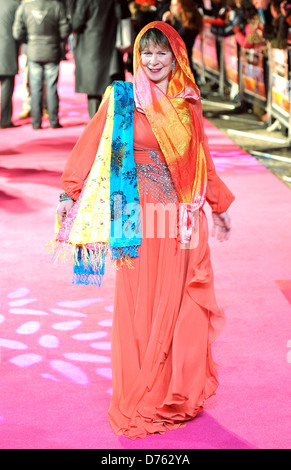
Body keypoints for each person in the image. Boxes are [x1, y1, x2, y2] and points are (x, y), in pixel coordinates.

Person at [53, 21, 234, 439]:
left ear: (176, 58)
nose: (153, 61)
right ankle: (145, 389)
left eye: (162, 54)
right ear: (137, 56)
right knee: (140, 304)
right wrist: (69, 193)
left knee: (182, 304)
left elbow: (201, 157)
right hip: (134, 218)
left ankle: (177, 390)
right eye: (146, 53)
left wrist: (218, 205)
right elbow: (90, 144)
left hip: (179, 219)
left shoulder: (188, 101)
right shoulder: (122, 98)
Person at [12, 0, 70, 129]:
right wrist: (55, 40)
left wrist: (29, 41)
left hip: (33, 51)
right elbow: (65, 30)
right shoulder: (56, 6)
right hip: (52, 50)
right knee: (52, 87)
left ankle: (36, 122)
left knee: (35, 88)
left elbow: (17, 32)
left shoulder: (25, 7)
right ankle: (54, 121)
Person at [70, 0, 126, 119]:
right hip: (111, 46)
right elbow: (123, 14)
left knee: (93, 90)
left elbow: (76, 23)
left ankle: (95, 123)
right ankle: (111, 121)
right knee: (112, 88)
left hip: (90, 48)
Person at [162, 0, 203, 82]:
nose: (171, 7)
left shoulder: (190, 21)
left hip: (183, 65)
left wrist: (166, 22)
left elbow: (174, 39)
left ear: (183, 6)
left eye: (175, 5)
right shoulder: (176, 19)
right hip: (177, 64)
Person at [0, 0, 20, 129]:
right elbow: (18, 31)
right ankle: (5, 119)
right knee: (7, 87)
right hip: (7, 50)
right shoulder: (15, 5)